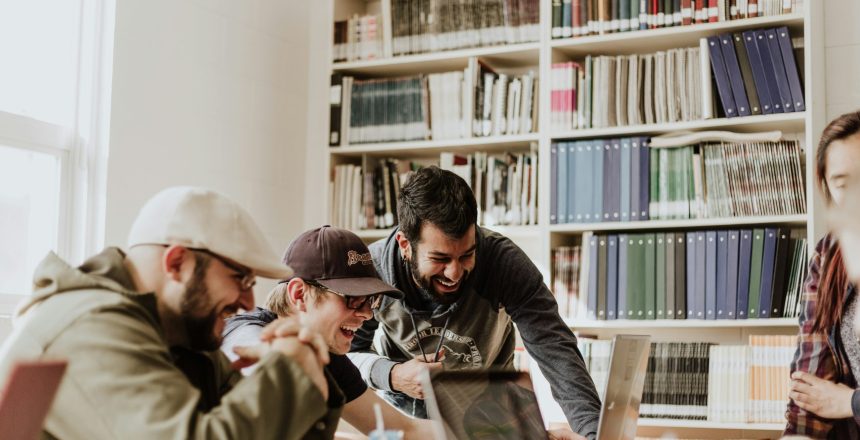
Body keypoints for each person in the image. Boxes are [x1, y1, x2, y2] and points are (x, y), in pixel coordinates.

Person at [0, 186, 340, 439]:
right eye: (240, 278)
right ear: (176, 263)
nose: (249, 303)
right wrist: (289, 370)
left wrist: (307, 368)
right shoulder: (91, 327)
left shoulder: (181, 336)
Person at [348, 166, 602, 439]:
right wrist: (392, 375)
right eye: (440, 259)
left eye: (467, 255)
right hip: (405, 422)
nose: (454, 273)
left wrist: (592, 433)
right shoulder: (372, 272)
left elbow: (555, 349)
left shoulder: (504, 263)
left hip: (493, 419)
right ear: (405, 245)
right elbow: (347, 356)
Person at [221, 225, 435, 438]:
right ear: (299, 295)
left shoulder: (329, 354)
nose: (368, 314)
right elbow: (257, 360)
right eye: (354, 299)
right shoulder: (246, 332)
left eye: (371, 300)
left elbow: (405, 430)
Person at [785, 110, 860, 438]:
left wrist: (851, 402)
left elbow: (837, 400)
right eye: (843, 184)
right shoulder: (830, 255)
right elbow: (810, 385)